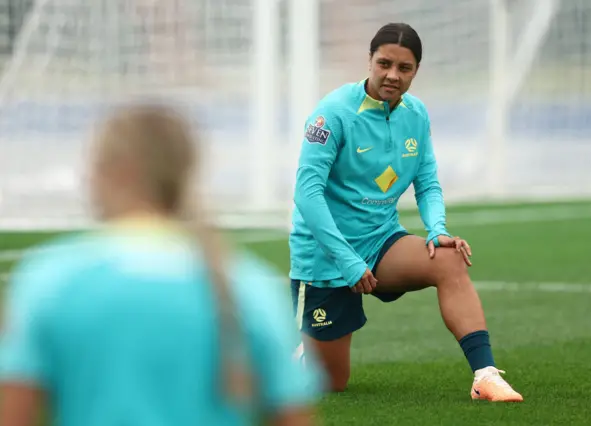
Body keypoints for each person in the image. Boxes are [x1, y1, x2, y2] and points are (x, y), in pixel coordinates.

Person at [0, 104, 323, 426]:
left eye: (93, 165)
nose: (87, 178)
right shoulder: (247, 285)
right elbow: (292, 415)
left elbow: (14, 411)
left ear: (121, 170)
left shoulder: (53, 278)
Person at [289, 22, 523, 402]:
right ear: (369, 60)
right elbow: (307, 194)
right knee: (332, 382)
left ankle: (485, 376)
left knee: (448, 259)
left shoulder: (416, 114)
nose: (392, 75)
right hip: (326, 256)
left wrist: (437, 229)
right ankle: (281, 359)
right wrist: (347, 260)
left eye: (404, 68)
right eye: (384, 64)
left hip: (381, 242)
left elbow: (427, 182)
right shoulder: (331, 113)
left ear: (416, 71)